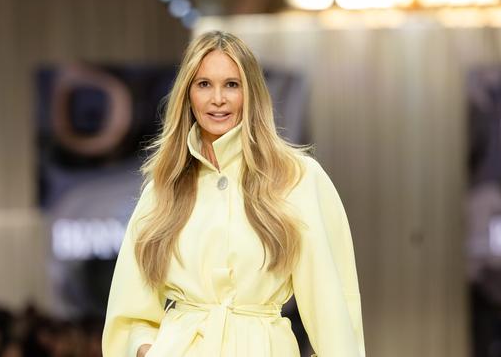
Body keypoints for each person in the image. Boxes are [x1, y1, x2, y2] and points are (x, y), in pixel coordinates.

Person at [102, 30, 365, 357]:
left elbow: (333, 304)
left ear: (251, 92)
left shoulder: (298, 179)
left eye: (231, 84)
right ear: (187, 95)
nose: (217, 99)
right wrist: (147, 350)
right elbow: (129, 312)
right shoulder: (164, 187)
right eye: (204, 84)